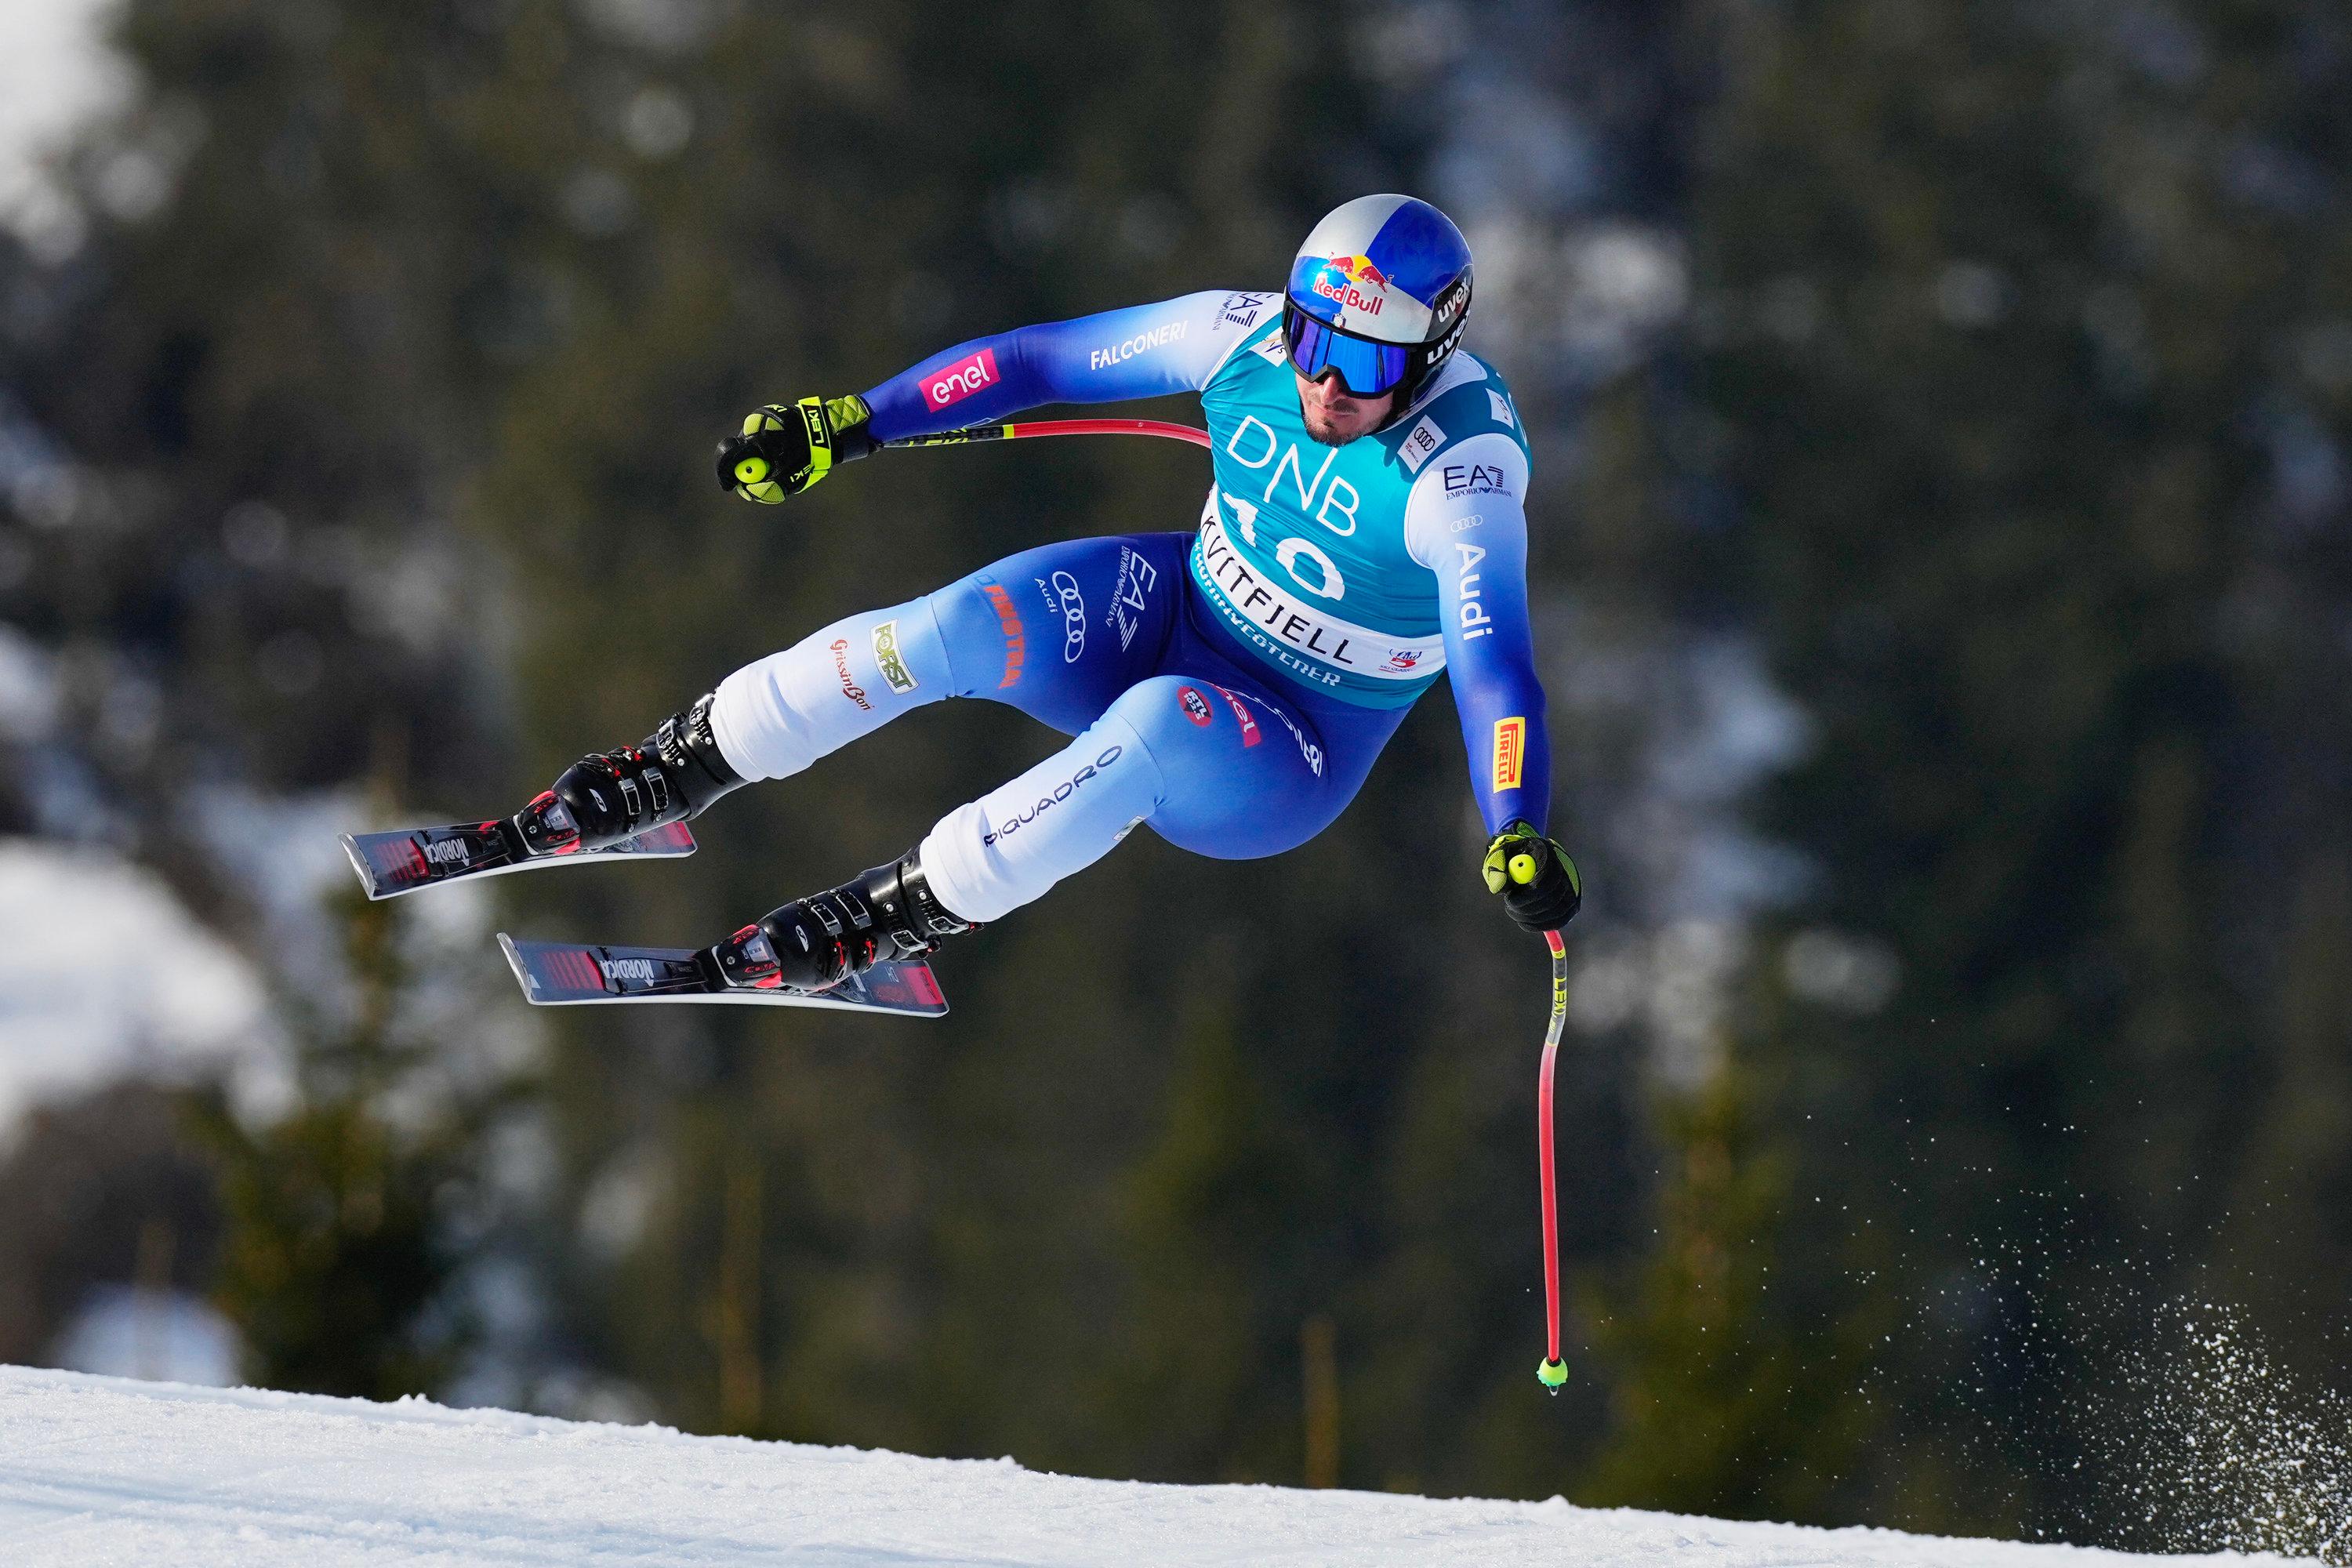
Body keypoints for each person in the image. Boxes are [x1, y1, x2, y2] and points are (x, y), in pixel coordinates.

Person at [510, 194, 1581, 993]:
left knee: (1153, 727)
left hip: (1286, 740)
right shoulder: (1242, 336)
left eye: (1360, 358)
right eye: (1312, 337)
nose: (1324, 381)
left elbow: (1495, 666)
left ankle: (897, 914)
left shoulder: (1461, 476)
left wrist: (1514, 823)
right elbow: (1041, 361)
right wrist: (852, 423)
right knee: (958, 627)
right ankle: (682, 765)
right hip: (1172, 609)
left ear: (1432, 353)